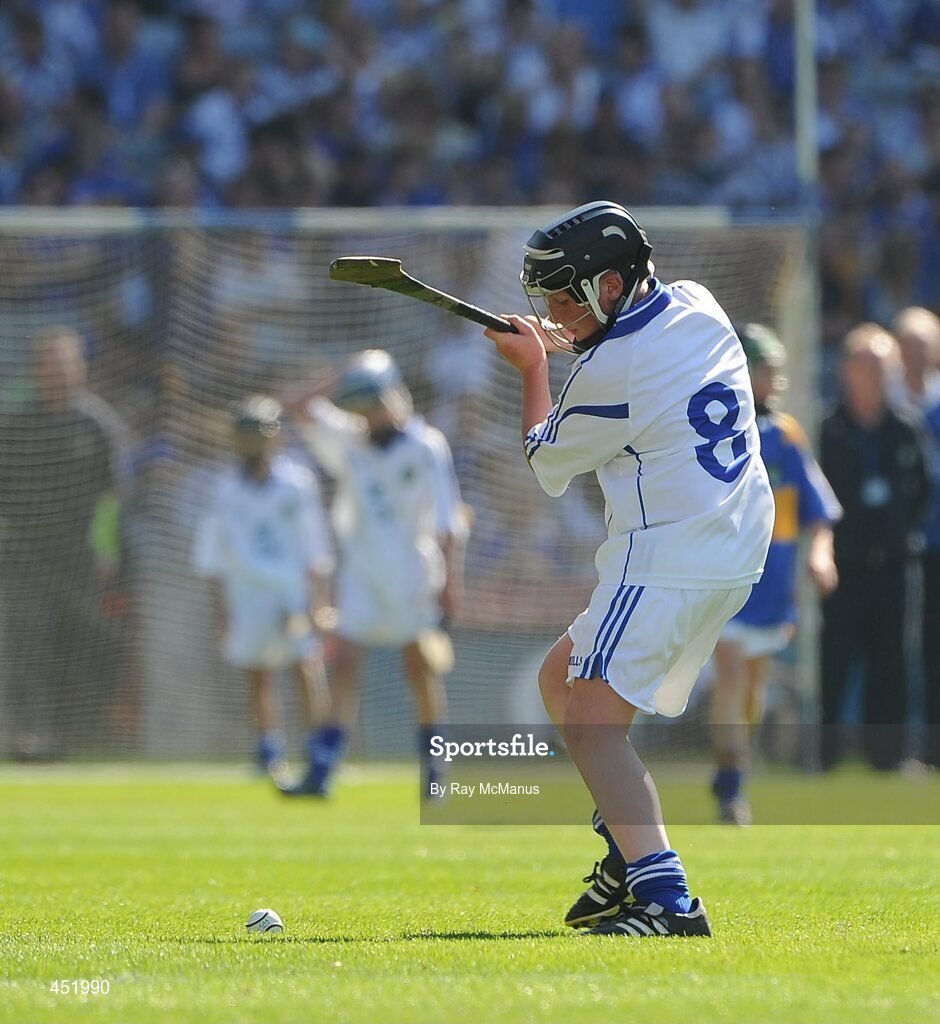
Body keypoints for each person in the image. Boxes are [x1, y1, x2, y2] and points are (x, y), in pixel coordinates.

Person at [483, 200, 774, 938]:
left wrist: (532, 368)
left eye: (562, 298)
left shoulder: (613, 368)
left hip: (669, 551)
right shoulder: (697, 304)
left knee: (591, 722)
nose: (552, 312)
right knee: (561, 678)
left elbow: (546, 460)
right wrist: (572, 343)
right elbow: (629, 369)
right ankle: (626, 846)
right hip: (734, 544)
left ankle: (665, 897)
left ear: (610, 287)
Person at [288, 350, 468, 797]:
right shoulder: (349, 440)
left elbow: (448, 521)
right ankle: (322, 770)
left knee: (419, 670)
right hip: (362, 572)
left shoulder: (426, 445)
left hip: (411, 571)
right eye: (362, 405)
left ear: (395, 396)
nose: (369, 414)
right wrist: (343, 372)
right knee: (345, 664)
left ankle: (435, 772)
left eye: (375, 402)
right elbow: (292, 406)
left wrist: (452, 585)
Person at [709, 324, 841, 826]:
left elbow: (819, 509)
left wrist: (821, 555)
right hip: (726, 580)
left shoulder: (785, 435)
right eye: (767, 369)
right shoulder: (716, 429)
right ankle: (732, 786)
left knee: (751, 686)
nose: (774, 378)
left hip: (773, 584)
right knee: (731, 670)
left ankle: (730, 773)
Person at [0, 326, 128, 760]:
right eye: (50, 362)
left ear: (82, 368)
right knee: (27, 644)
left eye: (67, 362)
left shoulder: (97, 423)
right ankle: (29, 737)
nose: (59, 371)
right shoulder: (17, 423)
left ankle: (77, 736)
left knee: (75, 643)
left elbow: (112, 498)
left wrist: (107, 553)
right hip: (23, 554)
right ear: (38, 370)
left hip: (79, 557)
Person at [191, 396, 334, 783]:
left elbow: (314, 544)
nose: (253, 444)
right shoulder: (224, 490)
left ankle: (318, 751)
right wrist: (220, 609)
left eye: (260, 435)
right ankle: (269, 751)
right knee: (259, 674)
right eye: (247, 436)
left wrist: (319, 598)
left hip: (291, 593)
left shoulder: (297, 483)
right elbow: (213, 556)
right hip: (247, 593)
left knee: (306, 666)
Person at [819, 325, 929, 771]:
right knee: (835, 663)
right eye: (869, 365)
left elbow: (922, 490)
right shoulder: (828, 429)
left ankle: (888, 759)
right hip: (842, 567)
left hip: (893, 568)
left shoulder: (906, 429)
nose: (879, 375)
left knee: (892, 666)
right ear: (847, 371)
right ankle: (823, 757)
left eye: (885, 366)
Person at [892, 306, 940, 768]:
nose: (914, 357)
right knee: (903, 650)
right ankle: (904, 750)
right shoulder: (886, 401)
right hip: (903, 545)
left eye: (923, 347)